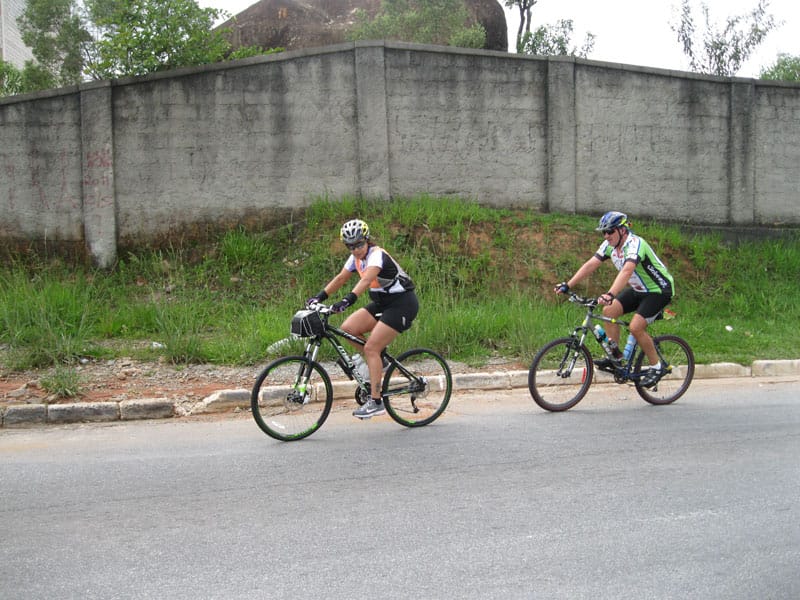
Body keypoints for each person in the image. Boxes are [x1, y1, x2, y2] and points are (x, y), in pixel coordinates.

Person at [306, 218, 418, 418]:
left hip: (402, 304)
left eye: (359, 244)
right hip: (382, 303)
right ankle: (380, 362)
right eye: (350, 246)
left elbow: (366, 280)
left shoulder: (377, 255)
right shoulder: (355, 259)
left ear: (367, 240)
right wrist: (319, 297)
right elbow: (341, 278)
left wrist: (347, 300)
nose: (356, 249)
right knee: (348, 328)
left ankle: (376, 401)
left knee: (371, 348)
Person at [554, 211, 675, 387]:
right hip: (639, 289)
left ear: (622, 230)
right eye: (604, 232)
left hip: (659, 291)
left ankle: (657, 367)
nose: (606, 235)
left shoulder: (635, 244)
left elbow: (627, 270)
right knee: (609, 311)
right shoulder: (609, 245)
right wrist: (568, 285)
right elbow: (590, 265)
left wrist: (610, 294)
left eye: (610, 231)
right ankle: (616, 357)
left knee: (636, 327)